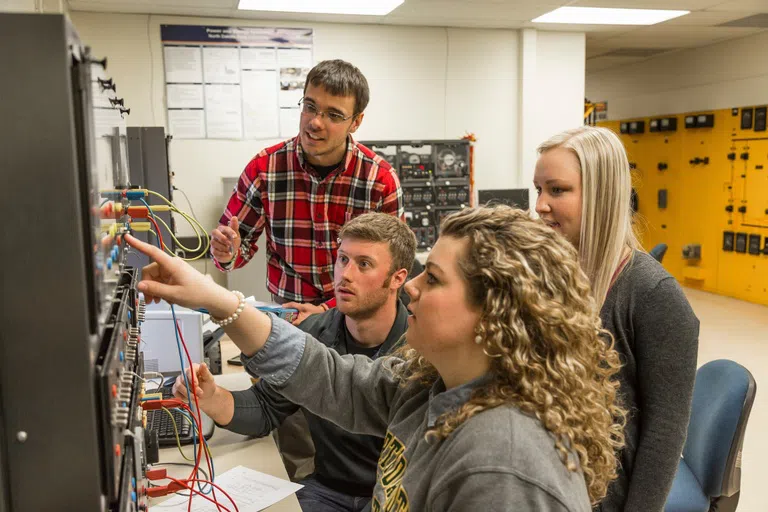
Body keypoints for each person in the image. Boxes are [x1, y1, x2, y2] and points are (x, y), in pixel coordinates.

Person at [126, 205, 627, 511]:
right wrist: (215, 297)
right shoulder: (434, 383)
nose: (411, 288)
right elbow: (333, 379)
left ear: (493, 314)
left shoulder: (502, 466)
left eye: (432, 279)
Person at [173, 213, 416, 512]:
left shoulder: (421, 349)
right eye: (342, 260)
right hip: (328, 490)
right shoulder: (315, 333)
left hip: (397, 498)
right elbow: (265, 408)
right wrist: (210, 398)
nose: (345, 275)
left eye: (363, 264)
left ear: (398, 278)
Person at [534, 126, 699, 512]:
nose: (540, 204)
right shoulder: (549, 275)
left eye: (557, 190)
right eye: (538, 189)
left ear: (601, 195)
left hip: (602, 495)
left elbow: (664, 434)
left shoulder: (652, 294)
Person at [210, 59, 404, 323]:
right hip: (288, 315)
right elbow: (233, 249)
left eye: (334, 115)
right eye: (310, 107)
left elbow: (392, 272)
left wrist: (329, 311)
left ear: (356, 122)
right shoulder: (265, 169)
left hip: (356, 319)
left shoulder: (379, 181)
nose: (315, 122)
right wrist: (226, 252)